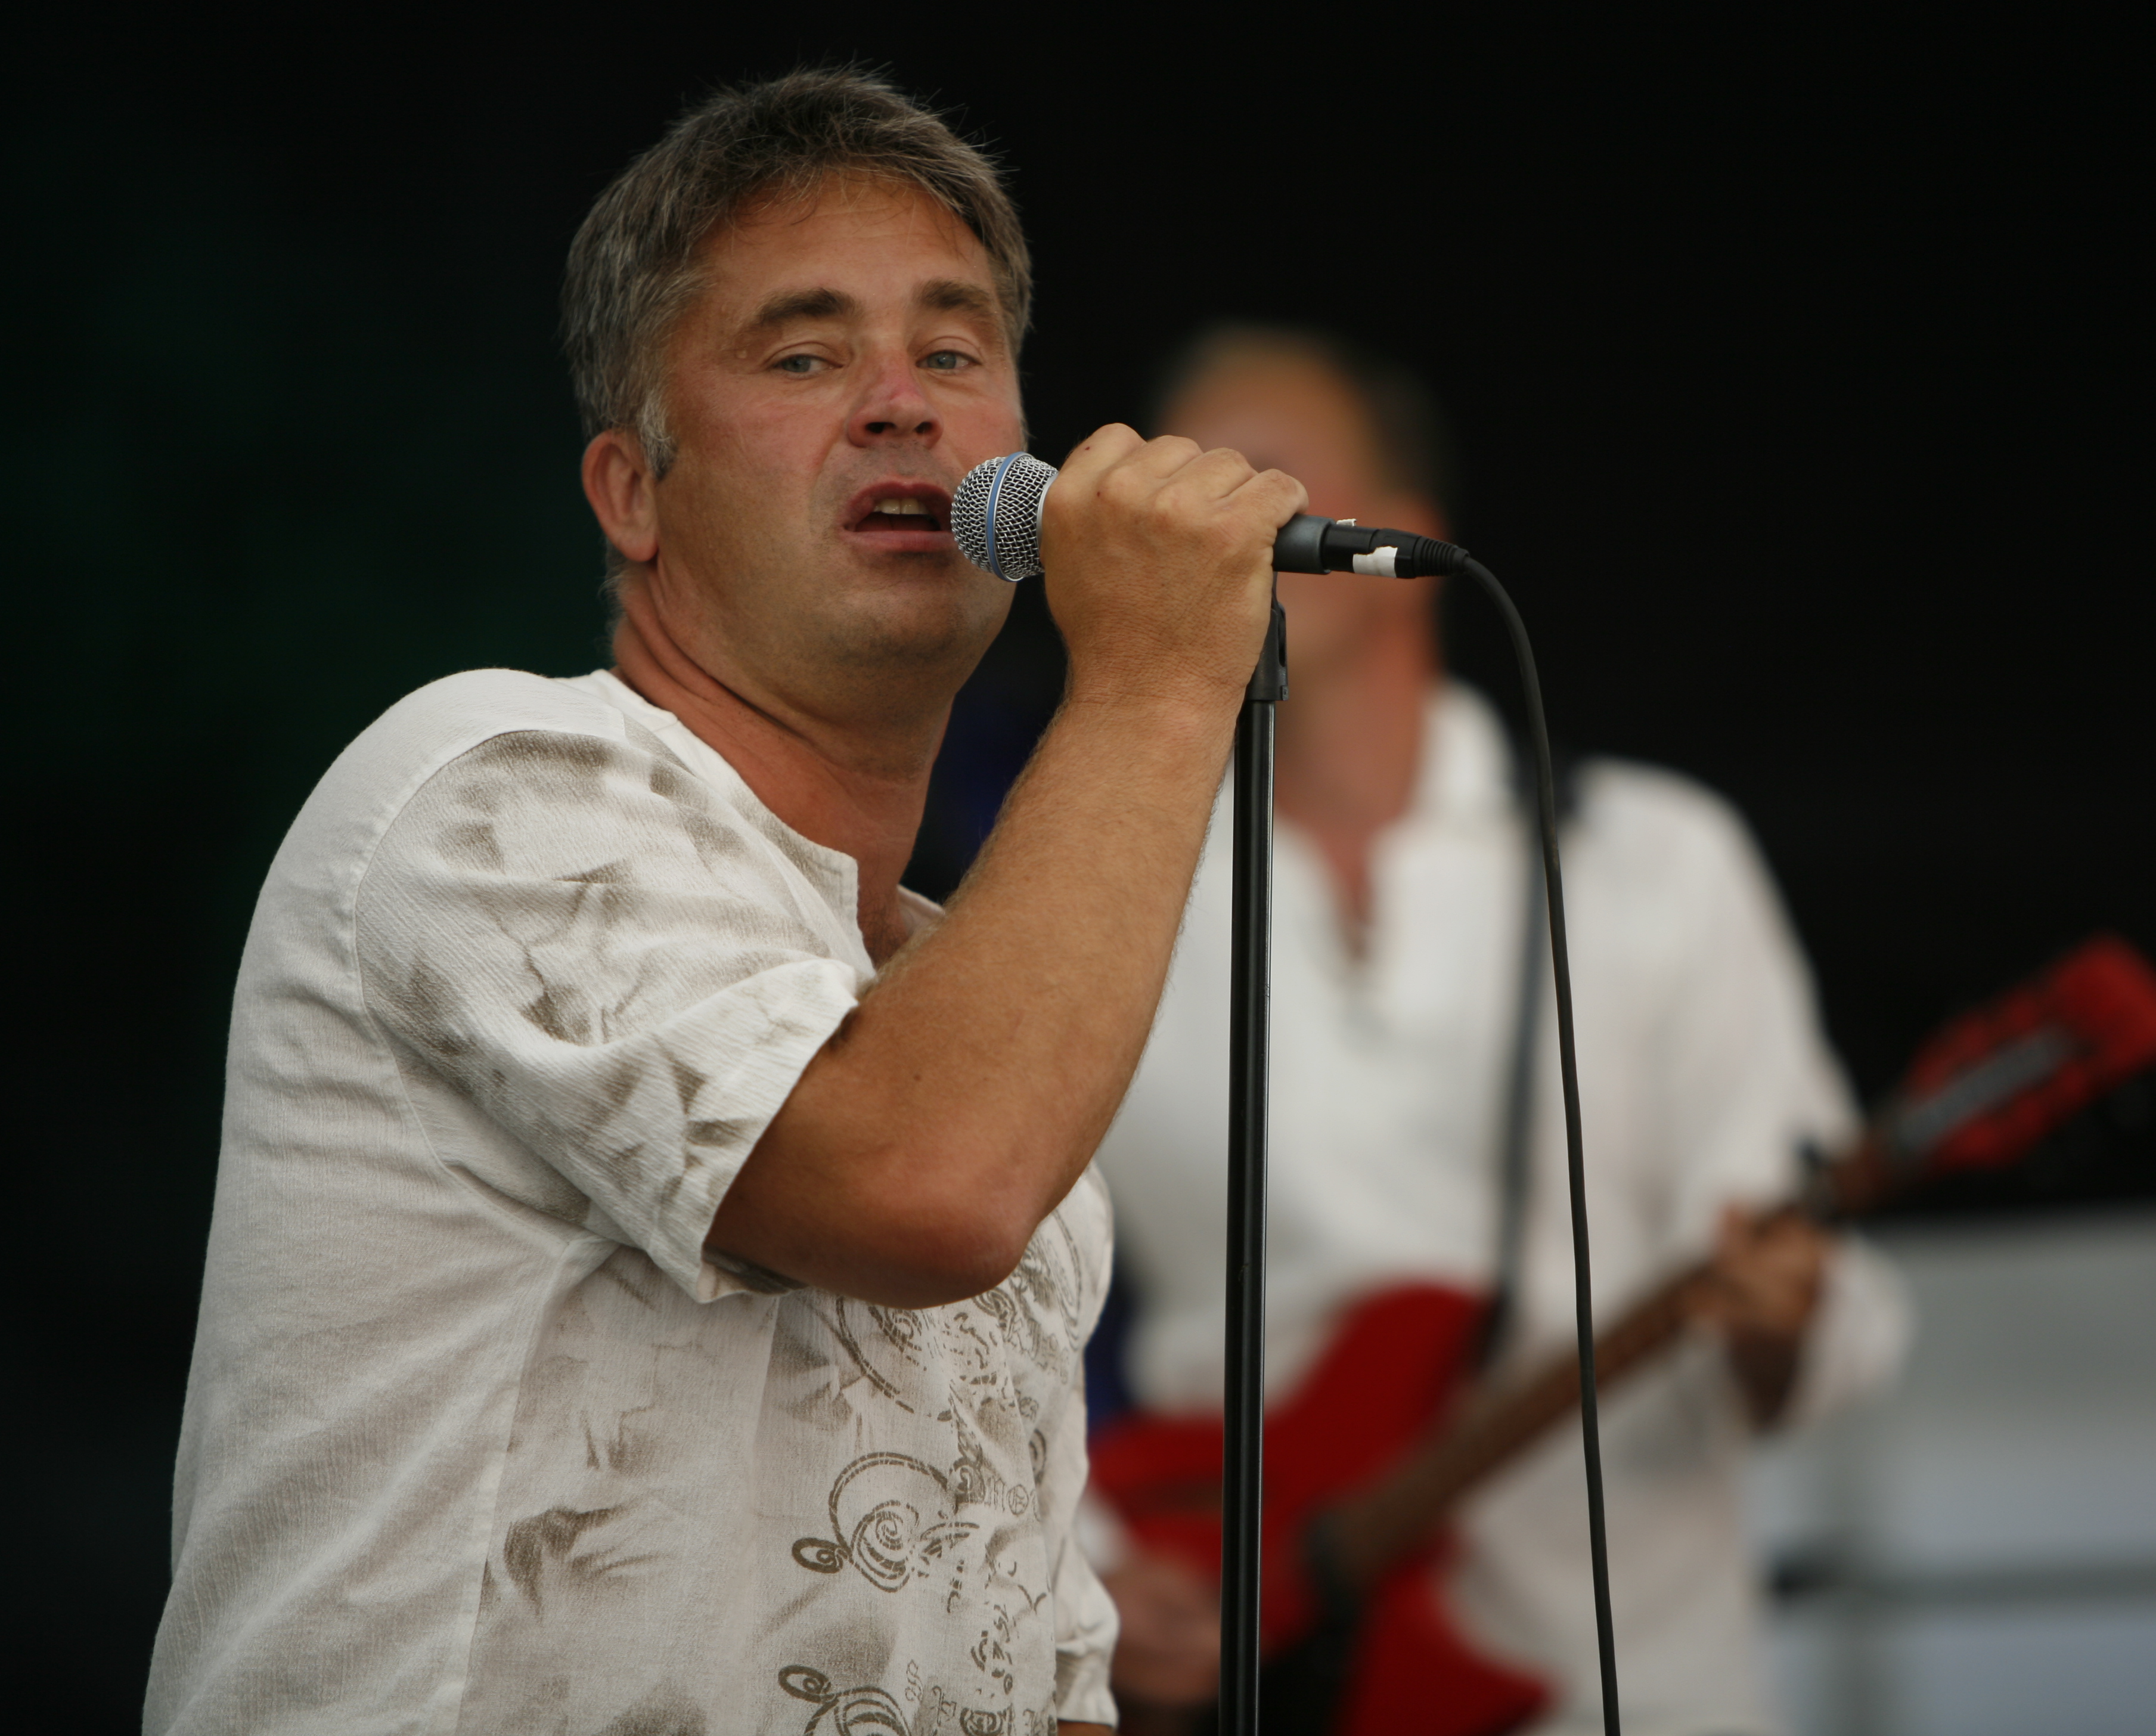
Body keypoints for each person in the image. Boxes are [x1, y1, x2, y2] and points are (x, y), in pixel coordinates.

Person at [145, 72, 1310, 1735]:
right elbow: (925, 1183)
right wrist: (1155, 681)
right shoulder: (490, 789)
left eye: (955, 351)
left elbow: (1035, 1669)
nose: (901, 404)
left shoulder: (997, 1041)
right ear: (631, 491)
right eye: (804, 355)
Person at [1086, 327, 1913, 1735]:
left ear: (1403, 531)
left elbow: (1819, 1303)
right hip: (1265, 1658)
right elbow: (970, 1308)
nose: (1215, 513)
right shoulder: (1102, 888)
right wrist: (1090, 1570)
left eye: (1265, 469)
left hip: (1645, 1679)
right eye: (1181, 483)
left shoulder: (1655, 856)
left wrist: (1783, 1324)